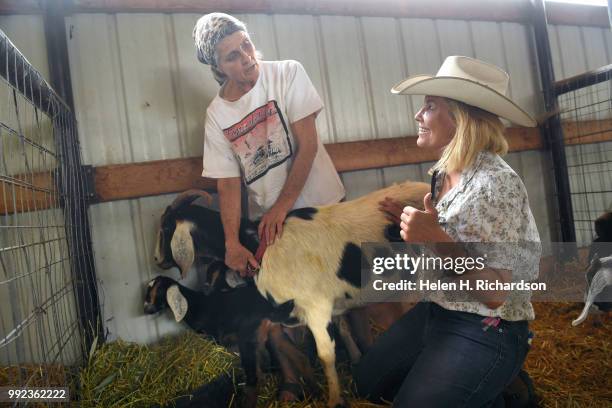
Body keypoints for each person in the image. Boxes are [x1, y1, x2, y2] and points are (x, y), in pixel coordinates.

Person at [355, 56, 541, 407]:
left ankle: (501, 380)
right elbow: (459, 235)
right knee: (367, 384)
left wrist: (435, 237)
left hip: (488, 324)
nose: (418, 116)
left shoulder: (495, 183)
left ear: (459, 117)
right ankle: (484, 385)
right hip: (440, 309)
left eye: (429, 106)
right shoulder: (445, 172)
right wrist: (416, 227)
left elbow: (494, 293)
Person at [193, 13, 345, 277]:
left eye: (246, 44)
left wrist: (281, 207)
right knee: (300, 303)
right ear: (218, 68)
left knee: (354, 289)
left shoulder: (287, 73)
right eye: (232, 56)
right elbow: (227, 183)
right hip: (274, 227)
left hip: (323, 206)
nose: (246, 57)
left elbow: (307, 146)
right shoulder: (217, 114)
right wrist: (232, 244)